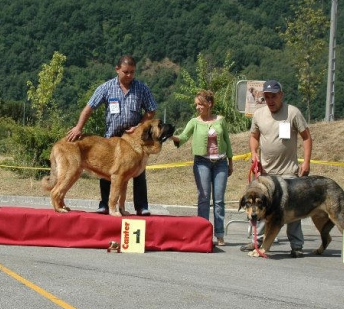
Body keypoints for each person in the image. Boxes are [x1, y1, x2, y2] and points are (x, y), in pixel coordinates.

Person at [66, 55, 157, 215]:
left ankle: (141, 206)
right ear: (117, 69)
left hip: (133, 139)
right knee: (107, 171)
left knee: (138, 172)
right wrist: (79, 127)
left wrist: (138, 126)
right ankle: (105, 205)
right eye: (125, 72)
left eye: (132, 72)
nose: (129, 75)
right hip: (111, 137)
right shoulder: (106, 88)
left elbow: (151, 110)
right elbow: (89, 108)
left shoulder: (142, 88)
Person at [241, 80, 313, 256]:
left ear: (281, 95)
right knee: (263, 209)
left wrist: (306, 162)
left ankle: (297, 246)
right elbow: (253, 137)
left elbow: (306, 137)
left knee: (292, 211)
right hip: (266, 174)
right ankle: (257, 243)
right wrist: (253, 153)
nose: (270, 100)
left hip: (289, 172)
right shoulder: (259, 115)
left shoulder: (293, 113)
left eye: (274, 96)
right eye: (267, 97)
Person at [171, 90, 233, 246]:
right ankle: (203, 233)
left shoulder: (221, 120)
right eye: (196, 104)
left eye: (200, 104)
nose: (198, 107)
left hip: (221, 162)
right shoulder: (194, 122)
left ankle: (219, 234)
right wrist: (172, 136)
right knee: (203, 198)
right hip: (202, 162)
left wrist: (231, 162)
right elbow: (183, 137)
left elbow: (227, 141)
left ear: (209, 104)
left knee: (219, 200)